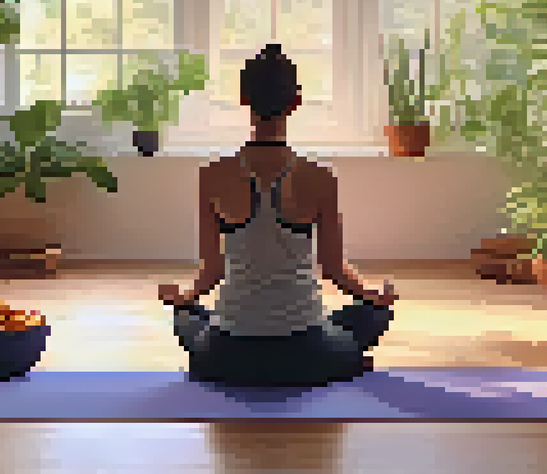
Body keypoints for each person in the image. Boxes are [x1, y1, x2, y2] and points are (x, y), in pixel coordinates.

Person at [158, 43, 399, 387]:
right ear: (296, 102)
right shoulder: (320, 177)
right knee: (372, 314)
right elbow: (333, 270)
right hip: (306, 348)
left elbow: (211, 273)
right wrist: (375, 296)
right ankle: (336, 363)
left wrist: (181, 297)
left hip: (227, 353)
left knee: (187, 316)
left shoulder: (211, 175)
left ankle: (238, 365)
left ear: (244, 99)